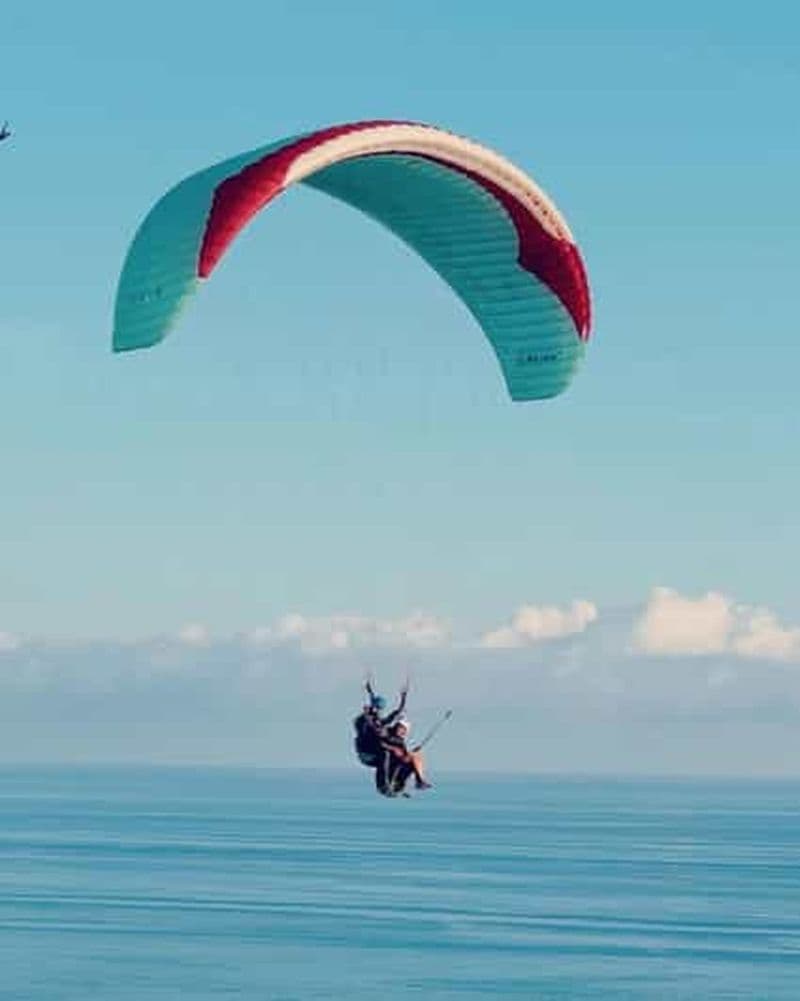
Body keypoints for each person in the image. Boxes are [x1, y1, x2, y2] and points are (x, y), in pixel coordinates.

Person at [376, 717, 432, 796]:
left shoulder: (400, 741)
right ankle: (419, 781)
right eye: (401, 727)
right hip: (391, 771)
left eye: (404, 729)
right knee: (414, 755)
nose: (402, 731)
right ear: (396, 726)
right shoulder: (387, 734)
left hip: (397, 769)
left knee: (416, 755)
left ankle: (419, 780)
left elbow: (403, 755)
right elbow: (381, 743)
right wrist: (394, 749)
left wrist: (411, 753)